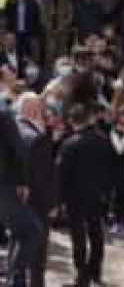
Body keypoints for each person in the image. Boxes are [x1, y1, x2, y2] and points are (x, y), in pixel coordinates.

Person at [57, 103, 115, 287]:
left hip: (75, 196)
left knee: (78, 235)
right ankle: (95, 271)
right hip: (98, 194)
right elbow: (112, 168)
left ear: (72, 121)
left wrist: (59, 198)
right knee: (96, 232)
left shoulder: (70, 143)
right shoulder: (103, 139)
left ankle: (82, 275)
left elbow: (62, 174)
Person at [16, 92, 58, 287]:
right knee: (37, 257)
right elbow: (43, 179)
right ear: (33, 110)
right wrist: (52, 204)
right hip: (36, 204)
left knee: (17, 251)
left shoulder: (10, 131)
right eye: (40, 108)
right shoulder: (37, 139)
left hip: (12, 201)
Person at [0, 104, 42, 287]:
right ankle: (15, 282)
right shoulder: (3, 114)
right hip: (3, 184)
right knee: (30, 231)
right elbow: (19, 150)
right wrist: (22, 181)